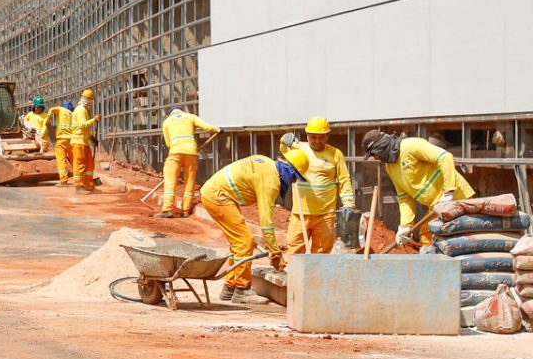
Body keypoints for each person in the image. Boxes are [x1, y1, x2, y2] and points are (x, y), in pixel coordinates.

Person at [200, 151, 300, 301]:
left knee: (239, 244)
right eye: (294, 179)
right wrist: (275, 252)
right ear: (289, 172)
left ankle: (230, 286)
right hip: (218, 196)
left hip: (215, 192)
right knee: (244, 242)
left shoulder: (267, 164)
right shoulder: (270, 182)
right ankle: (242, 289)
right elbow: (266, 223)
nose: (293, 182)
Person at [362, 129, 474, 247]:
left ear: (381, 147)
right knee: (426, 234)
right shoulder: (390, 167)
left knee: (451, 234)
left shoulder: (411, 146)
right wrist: (405, 226)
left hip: (457, 197)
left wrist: (449, 191)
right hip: (436, 206)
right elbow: (404, 197)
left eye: (374, 154)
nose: (375, 158)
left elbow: (445, 157)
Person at [281, 117, 354, 254]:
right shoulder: (298, 148)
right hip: (300, 212)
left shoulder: (335, 154)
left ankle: (316, 276)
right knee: (295, 250)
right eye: (313, 137)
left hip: (325, 214)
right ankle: (296, 275)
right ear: (307, 136)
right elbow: (284, 148)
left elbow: (344, 180)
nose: (317, 141)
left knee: (321, 253)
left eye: (321, 137)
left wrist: (348, 204)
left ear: (327, 136)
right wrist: (285, 139)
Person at [159, 107, 219, 218]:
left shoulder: (167, 122)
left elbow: (168, 143)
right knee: (189, 180)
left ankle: (167, 209)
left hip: (175, 153)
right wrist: (217, 130)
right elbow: (206, 127)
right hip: (191, 153)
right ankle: (185, 210)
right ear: (182, 111)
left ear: (170, 114)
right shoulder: (191, 117)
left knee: (170, 181)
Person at [66, 89, 98, 192]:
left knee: (89, 165)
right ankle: (78, 186)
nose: (91, 103)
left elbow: (84, 129)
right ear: (88, 100)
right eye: (91, 100)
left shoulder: (84, 110)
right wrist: (94, 119)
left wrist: (91, 137)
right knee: (79, 164)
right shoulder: (81, 110)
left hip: (84, 141)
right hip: (78, 141)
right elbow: (82, 125)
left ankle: (88, 185)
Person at [46, 99, 74, 183]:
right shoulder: (72, 114)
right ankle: (80, 179)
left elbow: (51, 109)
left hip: (61, 140)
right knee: (74, 159)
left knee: (61, 159)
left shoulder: (60, 109)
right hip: (72, 140)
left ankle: (63, 179)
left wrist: (48, 119)